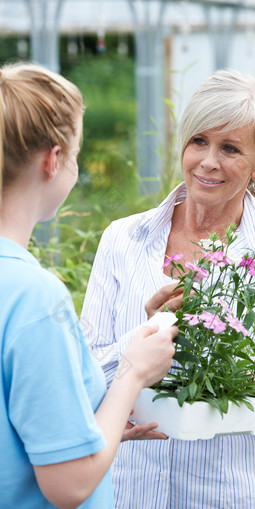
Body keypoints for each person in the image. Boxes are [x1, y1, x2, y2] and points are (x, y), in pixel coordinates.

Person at [81, 69, 255, 509]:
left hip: (228, 495)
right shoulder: (123, 240)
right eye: (198, 141)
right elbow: (83, 371)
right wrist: (143, 339)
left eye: (230, 148)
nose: (208, 161)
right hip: (126, 492)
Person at [0, 62, 177, 509]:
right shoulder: (35, 297)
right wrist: (133, 372)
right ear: (52, 159)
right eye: (77, 154)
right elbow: (69, 486)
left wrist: (100, 424)